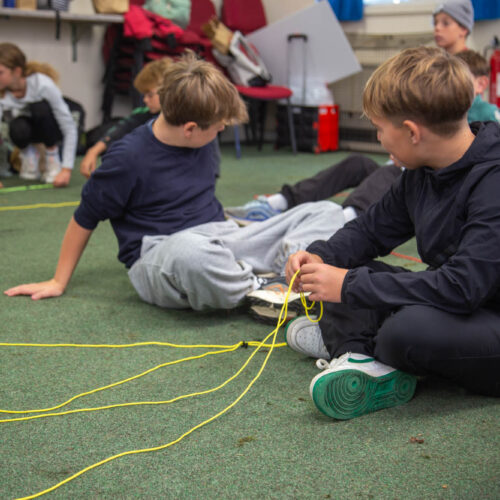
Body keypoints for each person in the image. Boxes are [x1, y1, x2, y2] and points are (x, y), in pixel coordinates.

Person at [4, 51, 349, 313]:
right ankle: (260, 285)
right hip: (162, 253)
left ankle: (287, 276)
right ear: (190, 129)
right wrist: (58, 280)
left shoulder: (203, 137)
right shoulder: (126, 158)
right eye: (218, 127)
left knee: (325, 212)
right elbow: (85, 216)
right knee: (192, 254)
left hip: (221, 235)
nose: (222, 130)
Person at [283, 46, 500, 421]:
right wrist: (320, 256)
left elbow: (463, 287)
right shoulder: (421, 172)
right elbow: (370, 229)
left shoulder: (493, 181)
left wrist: (348, 286)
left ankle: (361, 344)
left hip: (484, 308)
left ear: (412, 132)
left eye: (380, 129)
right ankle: (356, 358)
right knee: (341, 275)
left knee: (405, 330)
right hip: (458, 301)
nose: (379, 139)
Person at [225, 0, 476, 226]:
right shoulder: (433, 66)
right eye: (435, 22)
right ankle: (277, 203)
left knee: (392, 172)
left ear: (463, 29)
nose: (437, 28)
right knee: (358, 163)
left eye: (446, 23)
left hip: (427, 173)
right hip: (410, 159)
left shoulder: (467, 72)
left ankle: (341, 222)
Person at [80, 57, 172, 179]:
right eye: (144, 95)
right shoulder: (144, 114)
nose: (145, 100)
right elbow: (121, 129)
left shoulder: (182, 117)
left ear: (168, 92)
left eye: (150, 95)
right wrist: (93, 151)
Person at [0, 43, 78, 187]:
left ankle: (52, 158)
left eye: (0, 72)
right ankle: (28, 156)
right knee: (17, 125)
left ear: (17, 71)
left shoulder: (42, 84)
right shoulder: (2, 93)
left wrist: (66, 169)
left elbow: (68, 126)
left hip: (51, 133)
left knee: (39, 107)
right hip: (26, 134)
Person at [456, 49, 500, 123]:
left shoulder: (489, 113)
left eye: (460, 79)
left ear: (481, 84)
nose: (452, 84)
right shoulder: (449, 109)